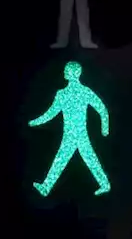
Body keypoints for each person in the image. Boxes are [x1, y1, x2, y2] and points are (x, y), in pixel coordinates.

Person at [29, 61, 111, 197]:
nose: (65, 72)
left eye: (67, 70)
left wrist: (35, 122)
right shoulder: (82, 92)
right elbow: (102, 110)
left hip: (73, 135)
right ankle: (104, 184)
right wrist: (104, 129)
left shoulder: (64, 94)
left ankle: (46, 187)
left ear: (72, 73)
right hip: (76, 134)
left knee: (63, 160)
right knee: (81, 159)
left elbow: (50, 114)